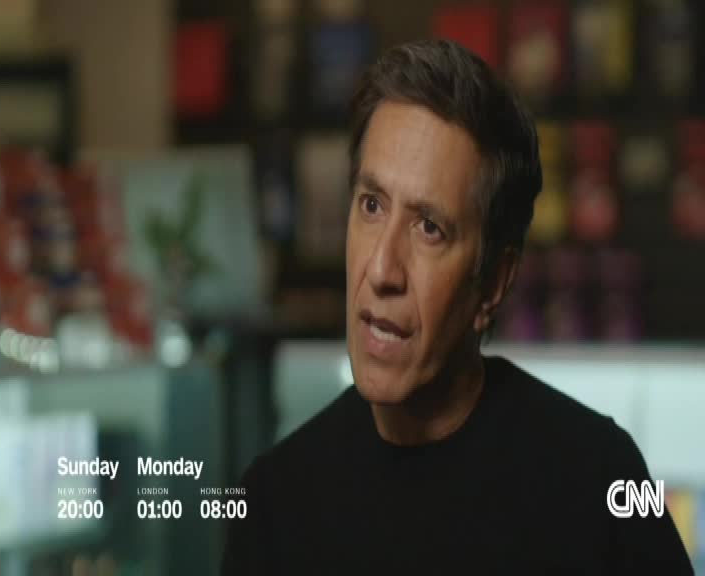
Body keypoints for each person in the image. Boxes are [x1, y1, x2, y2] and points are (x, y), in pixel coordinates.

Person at [223, 39, 693, 575]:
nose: (381, 270)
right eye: (371, 205)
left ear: (493, 282)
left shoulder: (605, 476)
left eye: (430, 227)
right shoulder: (272, 504)